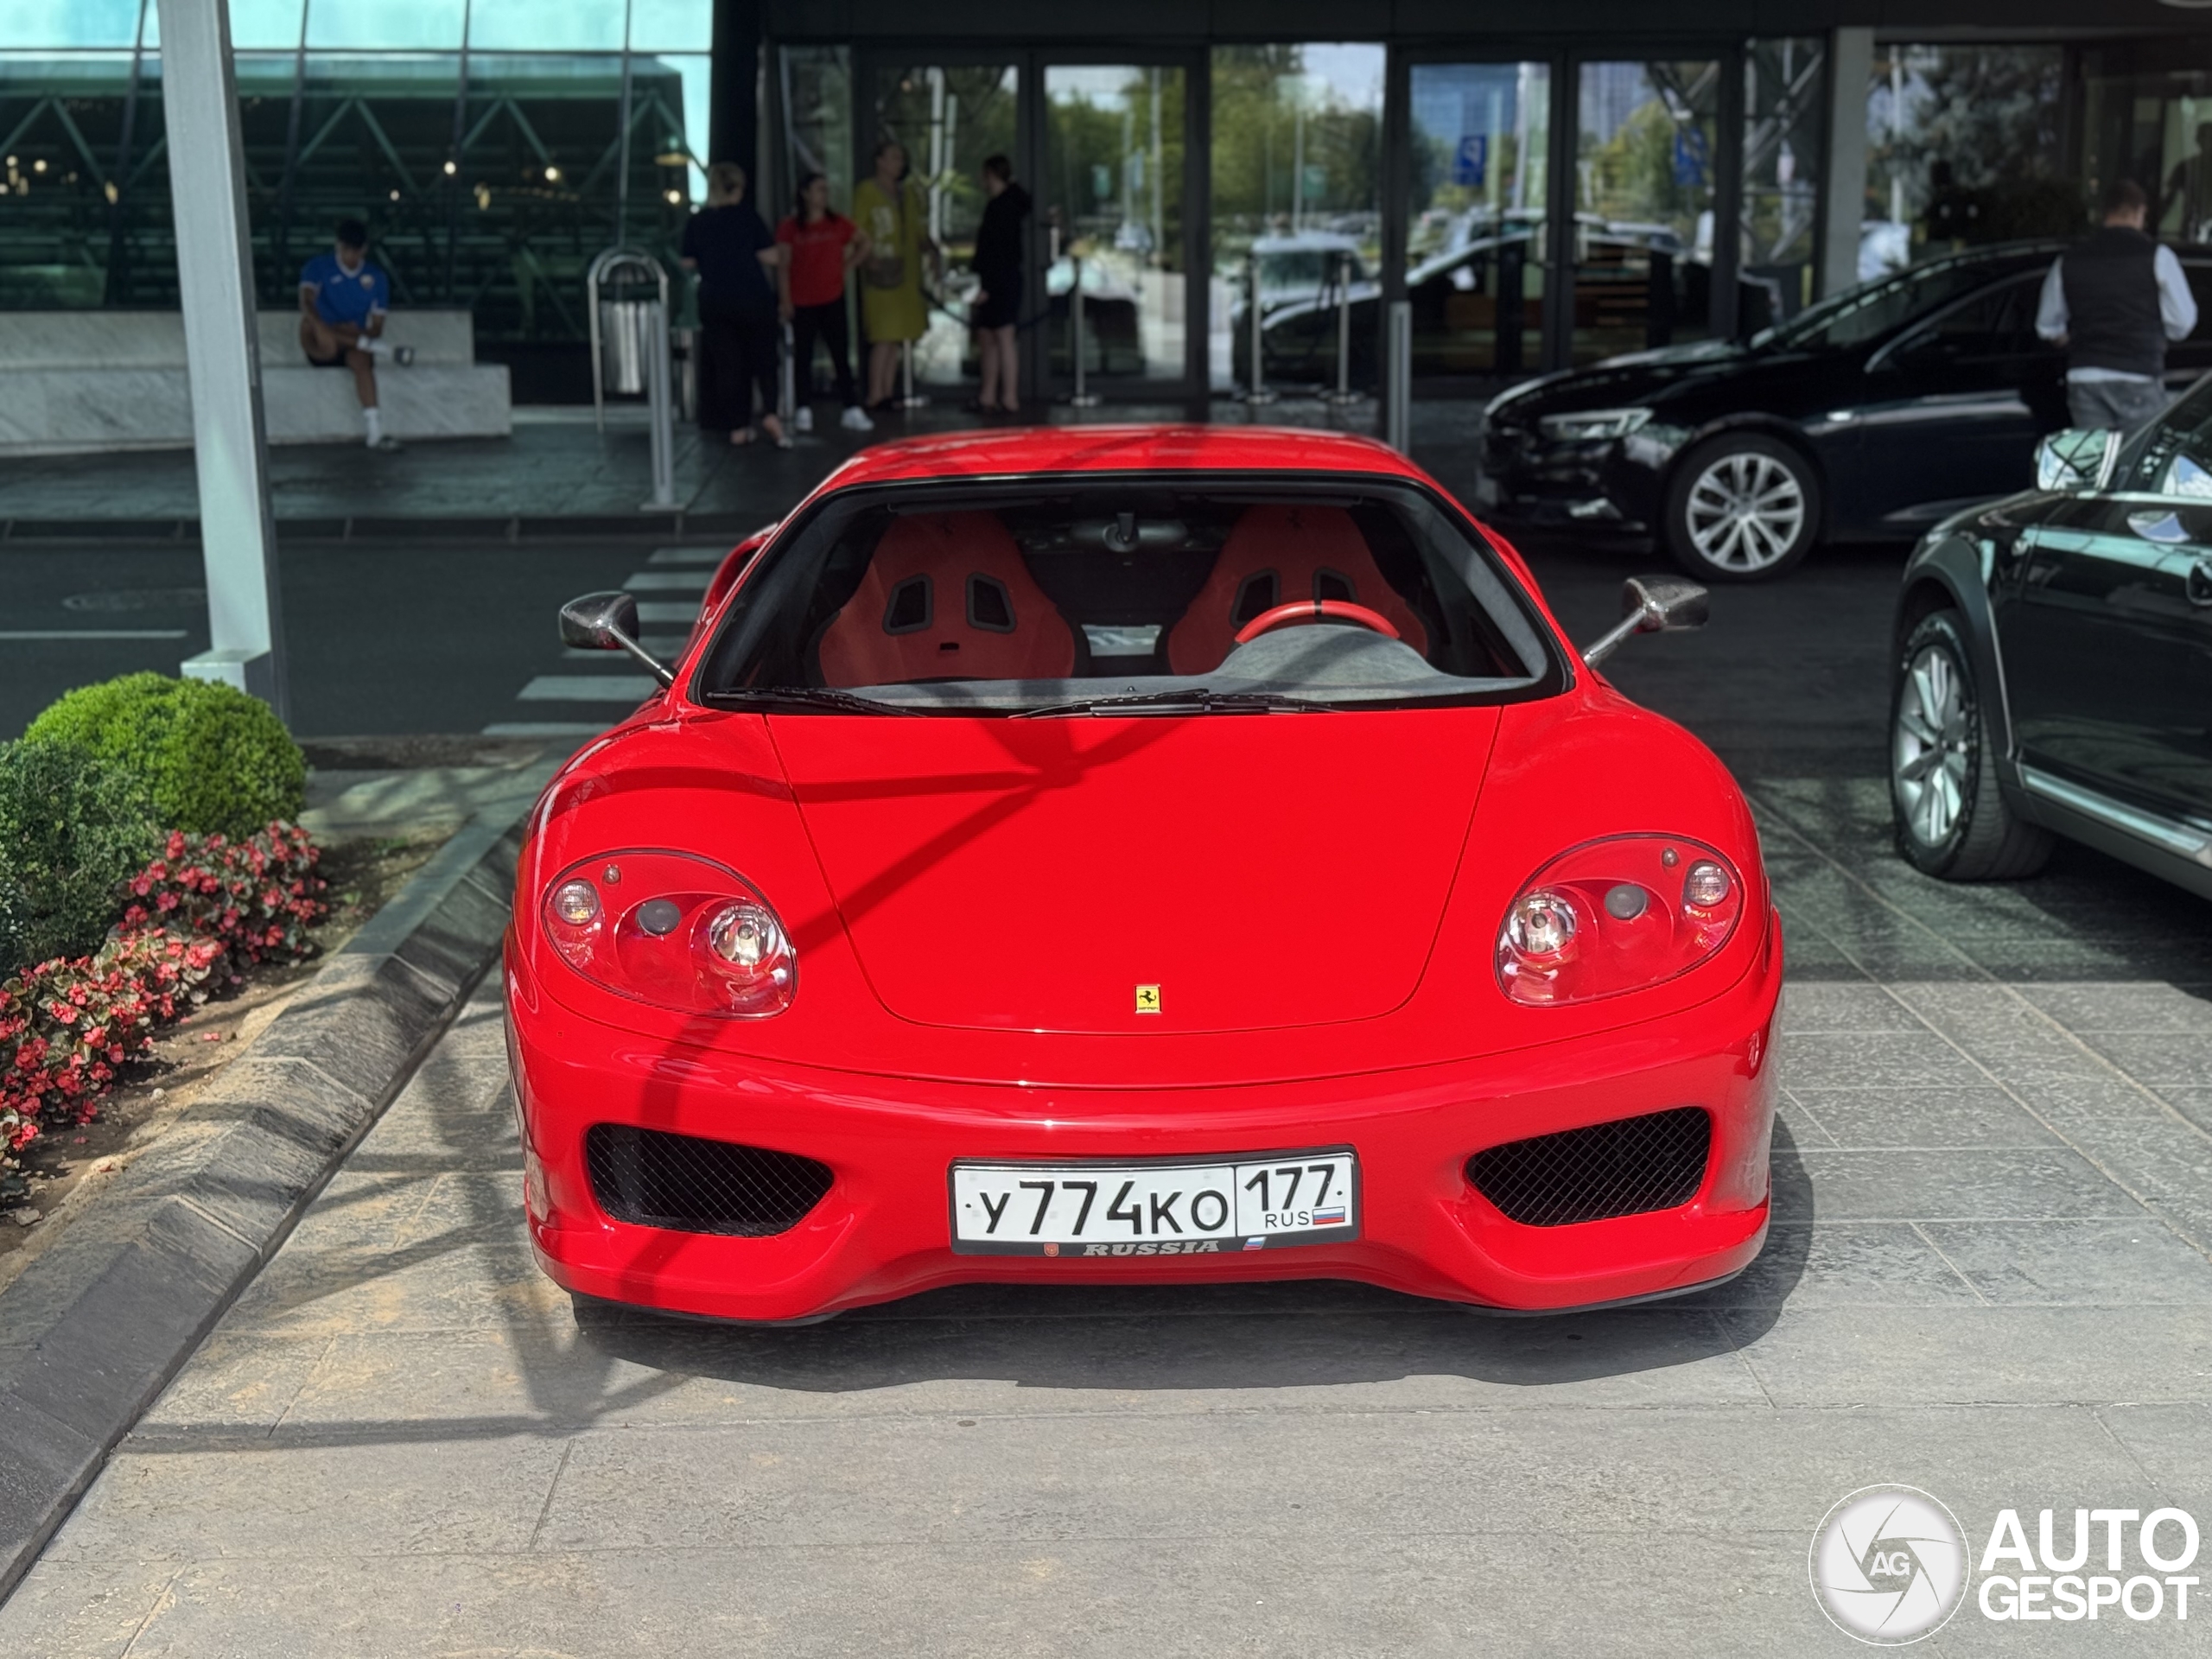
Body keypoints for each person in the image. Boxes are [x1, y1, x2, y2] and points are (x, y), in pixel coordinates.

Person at [2036, 178, 2200, 436]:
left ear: (2105, 213)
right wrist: (2151, 332)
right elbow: (2183, 321)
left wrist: (2070, 339)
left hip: (2085, 376)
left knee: (2093, 466)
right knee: (2134, 466)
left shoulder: (2069, 260)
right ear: (2139, 212)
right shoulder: (2157, 256)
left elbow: (2047, 325)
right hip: (2137, 374)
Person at [681, 162, 786, 448]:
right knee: (764, 359)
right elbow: (770, 256)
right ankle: (771, 413)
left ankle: (737, 426)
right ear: (738, 188)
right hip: (752, 296)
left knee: (729, 365)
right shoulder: (748, 217)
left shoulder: (699, 221)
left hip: (715, 299)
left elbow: (687, 261)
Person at [299, 218, 413, 451]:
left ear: (364, 250)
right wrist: (332, 327)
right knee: (319, 332)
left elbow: (377, 327)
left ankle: (374, 431)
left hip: (355, 343)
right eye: (345, 250)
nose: (350, 258)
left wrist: (358, 334)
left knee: (361, 360)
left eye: (355, 252)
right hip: (320, 340)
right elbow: (307, 302)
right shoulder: (318, 267)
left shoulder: (377, 278)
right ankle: (377, 348)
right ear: (337, 246)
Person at [776, 172, 873, 435]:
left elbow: (865, 242)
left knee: (840, 354)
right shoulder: (791, 227)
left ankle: (851, 407)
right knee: (803, 356)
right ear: (806, 193)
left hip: (832, 297)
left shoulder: (837, 223)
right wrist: (785, 299)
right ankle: (803, 408)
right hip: (802, 300)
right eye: (819, 189)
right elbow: (783, 266)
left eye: (825, 190)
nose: (824, 194)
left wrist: (848, 266)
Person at [852, 139, 938, 410]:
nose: (898, 163)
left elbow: (915, 227)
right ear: (880, 161)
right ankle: (875, 393)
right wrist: (868, 258)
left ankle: (887, 392)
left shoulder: (907, 193)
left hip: (906, 273)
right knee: (883, 335)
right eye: (893, 157)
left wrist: (929, 247)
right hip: (882, 271)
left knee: (897, 337)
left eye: (901, 158)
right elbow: (857, 227)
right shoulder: (866, 191)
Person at [970, 153, 1030, 414]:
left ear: (991, 175)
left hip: (999, 281)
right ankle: (996, 395)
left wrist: (987, 286)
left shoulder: (998, 208)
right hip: (1007, 279)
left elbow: (994, 252)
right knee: (994, 336)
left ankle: (1004, 396)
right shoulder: (1012, 204)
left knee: (1001, 337)